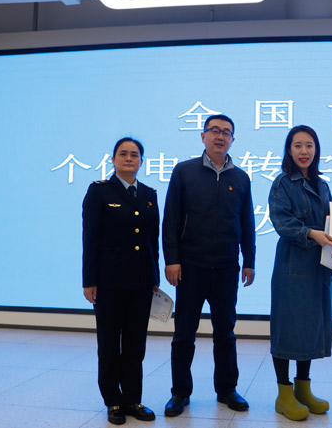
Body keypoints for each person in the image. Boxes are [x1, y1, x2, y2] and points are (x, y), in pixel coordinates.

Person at [162, 114, 256, 416]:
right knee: (184, 333)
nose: (220, 136)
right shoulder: (184, 171)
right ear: (203, 136)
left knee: (225, 332)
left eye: (226, 132)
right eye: (214, 130)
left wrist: (249, 260)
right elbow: (171, 219)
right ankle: (180, 392)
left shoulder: (241, 178)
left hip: (227, 267)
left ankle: (227, 389)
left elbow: (247, 222)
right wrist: (172, 260)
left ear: (232, 140)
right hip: (190, 267)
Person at [82, 137, 159, 426]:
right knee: (109, 343)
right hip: (108, 282)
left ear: (141, 161)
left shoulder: (149, 194)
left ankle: (133, 399)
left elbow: (152, 240)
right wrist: (89, 280)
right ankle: (113, 400)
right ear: (113, 159)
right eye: (123, 154)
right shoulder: (99, 191)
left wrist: (154, 275)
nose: (129, 159)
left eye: (134, 155)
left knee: (136, 344)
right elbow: (90, 239)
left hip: (141, 282)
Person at [268, 125, 332, 421]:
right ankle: (284, 394)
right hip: (292, 265)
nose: (304, 151)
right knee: (287, 327)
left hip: (319, 266)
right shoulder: (283, 183)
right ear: (289, 150)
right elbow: (281, 221)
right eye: (298, 145)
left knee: (310, 327)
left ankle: (303, 389)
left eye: (309, 145)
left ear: (316, 149)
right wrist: (311, 232)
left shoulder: (322, 185)